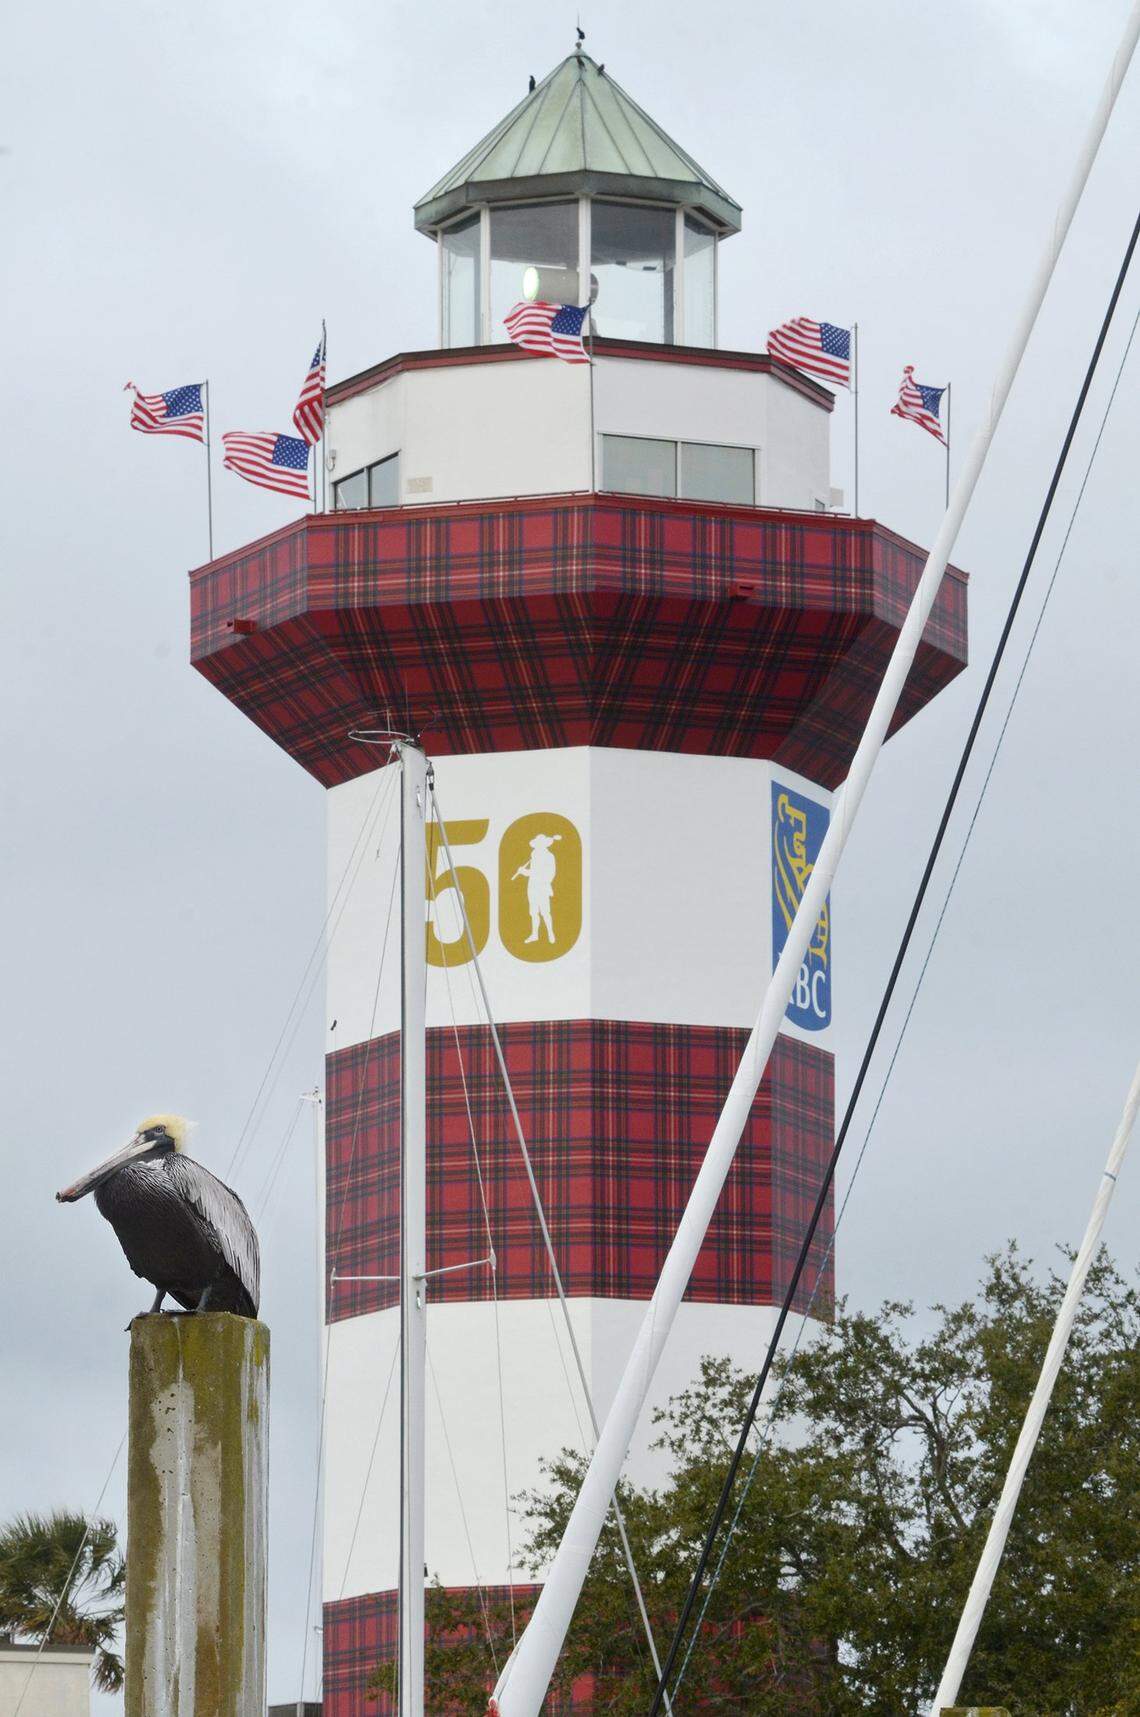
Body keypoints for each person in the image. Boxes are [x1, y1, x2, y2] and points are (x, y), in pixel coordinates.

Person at [512, 833, 561, 944]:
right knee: (533, 912)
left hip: (542, 887)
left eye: (541, 844)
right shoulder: (534, 854)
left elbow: (547, 873)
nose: (539, 846)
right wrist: (526, 871)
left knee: (545, 912)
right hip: (532, 887)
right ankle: (535, 934)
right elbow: (534, 871)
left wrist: (525, 872)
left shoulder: (549, 856)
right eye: (537, 844)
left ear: (544, 844)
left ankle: (550, 933)